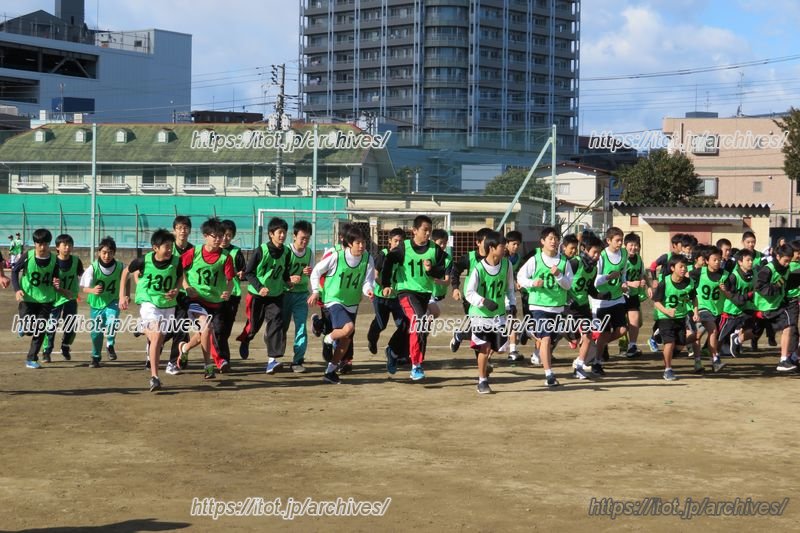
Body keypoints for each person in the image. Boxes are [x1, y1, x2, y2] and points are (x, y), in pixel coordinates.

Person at [381, 215, 448, 380]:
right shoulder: (404, 248)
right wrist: (386, 284)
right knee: (419, 320)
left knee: (412, 326)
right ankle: (416, 365)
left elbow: (442, 269)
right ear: (415, 231)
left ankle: (393, 351)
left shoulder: (434, 249)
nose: (427, 234)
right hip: (406, 292)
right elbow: (389, 261)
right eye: (425, 230)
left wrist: (431, 269)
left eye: (430, 231)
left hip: (425, 294)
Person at [308, 225, 375, 384]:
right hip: (333, 299)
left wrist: (368, 290)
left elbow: (367, 281)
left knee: (346, 340)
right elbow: (316, 272)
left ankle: (330, 372)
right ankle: (328, 339)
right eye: (358, 242)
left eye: (363, 242)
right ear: (349, 243)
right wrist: (316, 291)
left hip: (351, 302)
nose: (361, 246)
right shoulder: (336, 256)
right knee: (348, 328)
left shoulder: (367, 258)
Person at [119, 229, 185, 391]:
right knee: (156, 336)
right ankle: (155, 377)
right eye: (166, 246)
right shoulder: (144, 261)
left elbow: (180, 277)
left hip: (168, 304)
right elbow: (126, 272)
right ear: (155, 248)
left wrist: (176, 290)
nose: (170, 250)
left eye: (171, 246)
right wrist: (123, 295)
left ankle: (142, 327)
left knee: (161, 337)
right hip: (149, 302)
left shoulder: (176, 262)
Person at [516, 226, 574, 387]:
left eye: (556, 238)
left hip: (557, 307)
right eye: (550, 238)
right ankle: (549, 374)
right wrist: (532, 283)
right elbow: (520, 277)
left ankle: (529, 331)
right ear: (542, 242)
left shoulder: (564, 261)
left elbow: (568, 285)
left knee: (550, 338)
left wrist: (559, 275)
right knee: (547, 339)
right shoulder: (535, 259)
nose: (554, 241)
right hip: (538, 305)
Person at [237, 217, 296, 373]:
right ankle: (246, 339)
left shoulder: (287, 252)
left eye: (284, 232)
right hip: (257, 295)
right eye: (279, 232)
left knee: (276, 322)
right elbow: (248, 273)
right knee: (253, 326)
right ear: (271, 234)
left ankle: (272, 360)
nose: (282, 235)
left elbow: (283, 271)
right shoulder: (260, 251)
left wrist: (288, 281)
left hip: (276, 295)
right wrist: (260, 287)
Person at [179, 217, 235, 378]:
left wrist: (228, 291)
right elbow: (179, 270)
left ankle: (185, 348)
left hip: (215, 302)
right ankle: (208, 366)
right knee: (207, 328)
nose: (218, 239)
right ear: (205, 235)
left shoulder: (225, 257)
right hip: (196, 300)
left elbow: (230, 280)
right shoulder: (194, 253)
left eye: (221, 236)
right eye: (214, 236)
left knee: (206, 333)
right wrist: (186, 287)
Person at [465, 231, 515, 394]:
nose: (505, 248)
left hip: (498, 315)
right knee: (485, 348)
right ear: (492, 248)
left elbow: (509, 288)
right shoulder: (479, 269)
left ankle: (463, 334)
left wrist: (512, 304)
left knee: (500, 349)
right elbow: (469, 292)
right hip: (480, 316)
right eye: (502, 245)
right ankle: (482, 381)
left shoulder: (507, 265)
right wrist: (484, 301)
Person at [12, 228, 59, 369]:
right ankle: (23, 324)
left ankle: (31, 358)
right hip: (28, 298)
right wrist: (17, 289)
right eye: (39, 244)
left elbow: (56, 276)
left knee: (40, 330)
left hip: (46, 299)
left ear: (49, 244)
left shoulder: (54, 259)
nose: (42, 247)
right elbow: (14, 271)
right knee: (29, 329)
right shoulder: (28, 256)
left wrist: (56, 282)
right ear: (35, 244)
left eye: (45, 244)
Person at [80, 236, 123, 368]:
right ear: (99, 252)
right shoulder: (92, 268)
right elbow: (84, 288)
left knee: (113, 320)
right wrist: (92, 290)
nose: (107, 255)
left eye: (110, 252)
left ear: (114, 253)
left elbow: (126, 278)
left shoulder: (120, 266)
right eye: (104, 252)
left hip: (113, 301)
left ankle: (110, 344)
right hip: (97, 303)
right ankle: (96, 357)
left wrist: (124, 295)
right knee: (96, 333)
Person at [652, 255, 697, 381]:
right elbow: (656, 302)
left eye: (685, 266)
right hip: (665, 317)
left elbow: (694, 298)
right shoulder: (665, 283)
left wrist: (695, 311)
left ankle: (666, 352)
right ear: (672, 268)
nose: (684, 269)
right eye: (681, 267)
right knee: (670, 342)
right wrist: (667, 311)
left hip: (681, 317)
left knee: (680, 344)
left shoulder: (689, 282)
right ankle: (668, 369)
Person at [752, 244, 796, 372]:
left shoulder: (786, 269)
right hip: (766, 307)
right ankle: (738, 338)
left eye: (789, 260)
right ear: (778, 256)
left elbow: (785, 283)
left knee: (788, 326)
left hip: (778, 304)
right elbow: (759, 287)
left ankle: (783, 359)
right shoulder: (768, 270)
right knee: (755, 331)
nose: (787, 264)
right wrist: (775, 288)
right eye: (785, 260)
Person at [591, 227, 629, 375]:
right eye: (617, 240)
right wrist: (608, 277)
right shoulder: (601, 256)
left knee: (622, 330)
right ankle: (596, 362)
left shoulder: (624, 254)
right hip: (602, 301)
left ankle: (601, 345)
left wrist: (624, 283)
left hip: (618, 298)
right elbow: (595, 281)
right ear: (608, 241)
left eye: (622, 240)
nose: (620, 243)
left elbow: (623, 272)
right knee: (604, 332)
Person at [449, 227, 492, 352]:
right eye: (486, 241)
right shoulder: (470, 257)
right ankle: (482, 360)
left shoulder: (494, 258)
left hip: (488, 298)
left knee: (486, 328)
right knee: (479, 329)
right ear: (478, 243)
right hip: (471, 299)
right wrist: (455, 288)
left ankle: (460, 335)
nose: (489, 244)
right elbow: (455, 270)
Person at [41, 234, 83, 362]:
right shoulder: (52, 261)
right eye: (64, 245)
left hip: (70, 298)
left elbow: (84, 276)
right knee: (51, 325)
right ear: (57, 247)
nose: (67, 247)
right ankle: (46, 351)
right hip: (54, 298)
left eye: (70, 245)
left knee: (71, 325)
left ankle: (65, 346)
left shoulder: (76, 261)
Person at [368, 227, 406, 365]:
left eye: (401, 241)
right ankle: (372, 338)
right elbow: (375, 275)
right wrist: (385, 286)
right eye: (395, 241)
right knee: (381, 324)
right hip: (381, 296)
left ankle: (397, 352)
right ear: (390, 241)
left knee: (404, 325)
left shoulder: (405, 256)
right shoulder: (383, 254)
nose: (398, 244)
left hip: (397, 297)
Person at [568, 235, 604, 379]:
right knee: (561, 333)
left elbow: (590, 289)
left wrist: (600, 295)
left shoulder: (593, 269)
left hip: (582, 306)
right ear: (584, 249)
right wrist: (568, 300)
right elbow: (561, 283)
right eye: (594, 252)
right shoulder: (574, 263)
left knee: (588, 335)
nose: (597, 256)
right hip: (568, 306)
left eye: (599, 253)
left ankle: (579, 365)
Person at [282, 220, 314, 373]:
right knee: (281, 327)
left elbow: (314, 274)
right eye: (302, 237)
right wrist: (289, 279)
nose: (305, 241)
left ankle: (297, 360)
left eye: (308, 238)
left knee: (301, 327)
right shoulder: (286, 251)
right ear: (294, 236)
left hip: (301, 294)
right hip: (285, 294)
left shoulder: (309, 253)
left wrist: (310, 273)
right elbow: (279, 273)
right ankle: (274, 357)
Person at [689, 246, 727, 373]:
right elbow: (686, 282)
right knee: (713, 330)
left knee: (698, 335)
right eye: (714, 259)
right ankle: (715, 360)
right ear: (706, 260)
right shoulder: (698, 273)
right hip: (702, 308)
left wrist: (725, 290)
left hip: (717, 310)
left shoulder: (725, 275)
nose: (718, 262)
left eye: (720, 259)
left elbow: (731, 292)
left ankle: (698, 362)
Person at [718, 249, 756, 358]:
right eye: (748, 260)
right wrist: (748, 296)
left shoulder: (755, 273)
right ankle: (714, 355)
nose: (751, 262)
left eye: (751, 260)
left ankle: (737, 341)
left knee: (755, 329)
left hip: (745, 309)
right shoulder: (733, 277)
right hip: (731, 311)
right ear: (740, 262)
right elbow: (732, 295)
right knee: (721, 336)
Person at [219, 219, 246, 367]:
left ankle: (222, 357)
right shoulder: (214, 252)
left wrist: (242, 274)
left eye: (228, 235)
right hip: (216, 295)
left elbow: (245, 271)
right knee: (218, 327)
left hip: (233, 295)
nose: (225, 238)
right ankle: (222, 358)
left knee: (227, 328)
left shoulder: (236, 252)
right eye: (222, 234)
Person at [621, 233, 646, 358]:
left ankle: (632, 346)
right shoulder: (621, 259)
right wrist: (630, 283)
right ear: (625, 245)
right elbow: (616, 278)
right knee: (620, 325)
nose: (633, 248)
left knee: (635, 320)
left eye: (636, 245)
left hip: (633, 295)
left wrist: (643, 281)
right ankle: (603, 346)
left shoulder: (639, 259)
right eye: (631, 245)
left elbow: (642, 273)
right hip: (620, 295)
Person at [504, 230, 524, 362]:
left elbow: (517, 274)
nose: (516, 247)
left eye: (518, 244)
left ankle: (512, 350)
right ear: (506, 244)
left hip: (509, 294)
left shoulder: (517, 258)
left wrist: (518, 282)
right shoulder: (501, 257)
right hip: (498, 295)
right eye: (513, 244)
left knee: (512, 319)